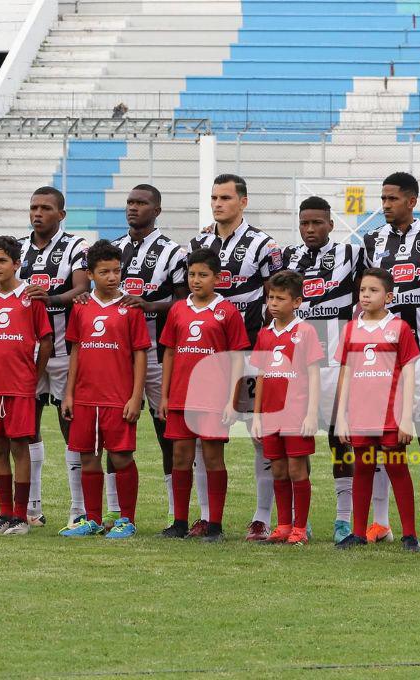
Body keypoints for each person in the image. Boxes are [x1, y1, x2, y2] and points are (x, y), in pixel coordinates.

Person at [360, 172, 420, 547]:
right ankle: (380, 522)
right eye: (382, 198)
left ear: (411, 201)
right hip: (380, 360)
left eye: (392, 199)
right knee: (381, 441)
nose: (385, 205)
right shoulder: (372, 240)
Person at [190, 174, 282, 541]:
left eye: (226, 197)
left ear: (243, 202)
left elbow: (278, 295)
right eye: (214, 197)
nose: (218, 203)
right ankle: (207, 516)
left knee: (260, 435)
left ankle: (261, 518)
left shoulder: (263, 244)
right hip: (209, 358)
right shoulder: (200, 241)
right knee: (204, 439)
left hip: (251, 355)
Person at [103, 184, 189, 528]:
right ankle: (113, 511)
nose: (133, 208)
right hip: (116, 357)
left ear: (157, 210)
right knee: (112, 435)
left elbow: (183, 302)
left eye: (141, 203)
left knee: (167, 433)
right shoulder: (112, 249)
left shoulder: (173, 252)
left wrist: (149, 305)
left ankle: (175, 513)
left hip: (157, 356)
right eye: (130, 202)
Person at [281, 196, 364, 544]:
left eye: (317, 223)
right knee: (295, 442)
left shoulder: (352, 253)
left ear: (331, 223)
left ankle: (344, 520)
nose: (310, 229)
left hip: (335, 362)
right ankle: (298, 521)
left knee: (339, 439)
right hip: (297, 365)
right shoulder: (287, 257)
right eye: (304, 223)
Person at [157, 248, 250, 542]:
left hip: (213, 398)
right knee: (180, 458)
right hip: (182, 397)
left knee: (212, 458)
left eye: (203, 275)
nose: (196, 280)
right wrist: (165, 395)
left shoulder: (227, 312)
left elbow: (237, 358)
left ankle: (215, 525)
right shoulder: (178, 309)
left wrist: (233, 399)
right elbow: (170, 352)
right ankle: (180, 522)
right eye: (192, 274)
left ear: (218, 278)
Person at [59, 240, 150, 539]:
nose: (112, 277)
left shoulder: (130, 308)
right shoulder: (82, 307)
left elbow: (140, 353)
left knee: (121, 458)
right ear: (91, 274)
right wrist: (69, 394)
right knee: (88, 457)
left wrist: (136, 397)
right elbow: (76, 351)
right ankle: (93, 519)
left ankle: (127, 520)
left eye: (116, 270)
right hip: (85, 397)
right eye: (104, 272)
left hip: (118, 398)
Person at [334, 267, 420, 552]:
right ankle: (359, 532)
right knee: (362, 468)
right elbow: (345, 373)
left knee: (397, 468)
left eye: (373, 290)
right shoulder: (350, 328)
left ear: (388, 296)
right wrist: (342, 418)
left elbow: (409, 373)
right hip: (360, 414)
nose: (366, 295)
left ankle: (410, 534)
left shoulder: (399, 328)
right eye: (362, 290)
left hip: (390, 414)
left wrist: (406, 418)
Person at [18, 187, 90, 529]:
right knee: (26, 427)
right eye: (34, 207)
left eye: (46, 208)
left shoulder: (77, 247)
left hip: (64, 353)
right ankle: (33, 507)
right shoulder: (17, 247)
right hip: (26, 354)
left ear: (61, 214)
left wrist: (49, 298)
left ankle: (78, 509)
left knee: (70, 426)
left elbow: (81, 290)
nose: (38, 213)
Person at [0, 236, 53, 536]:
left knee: (20, 445)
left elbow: (46, 340)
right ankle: (4, 514)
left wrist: (34, 374)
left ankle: (21, 516)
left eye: (2, 261)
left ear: (17, 263)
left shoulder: (30, 298)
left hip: (21, 385)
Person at [249, 270, 323, 545]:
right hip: (270, 415)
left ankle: (300, 528)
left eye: (280, 298)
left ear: (296, 302)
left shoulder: (305, 332)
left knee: (296, 470)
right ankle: (282, 525)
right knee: (278, 470)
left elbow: (314, 374)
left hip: (296, 413)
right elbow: (260, 377)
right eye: (270, 297)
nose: (274, 303)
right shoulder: (265, 334)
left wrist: (312, 413)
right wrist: (256, 417)